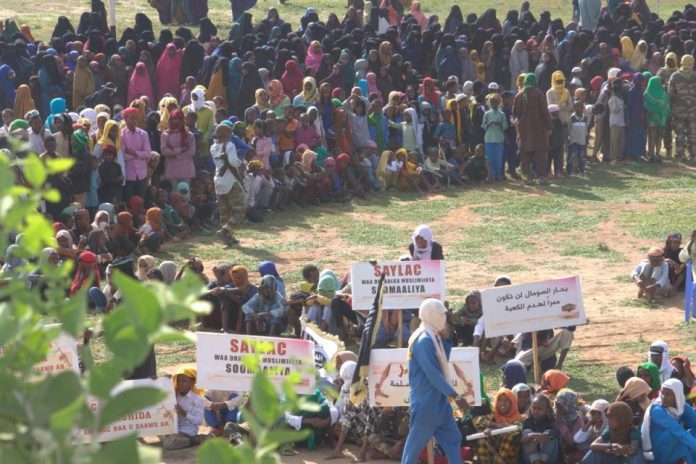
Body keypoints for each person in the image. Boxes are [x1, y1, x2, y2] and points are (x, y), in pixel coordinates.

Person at [401, 299, 469, 464]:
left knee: (453, 439)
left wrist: (446, 338)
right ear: (431, 315)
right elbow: (432, 373)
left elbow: (443, 360)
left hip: (439, 402)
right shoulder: (423, 340)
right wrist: (455, 396)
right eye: (442, 314)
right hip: (426, 403)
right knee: (413, 449)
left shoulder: (434, 336)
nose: (444, 318)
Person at [642, 378, 696, 463]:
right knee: (676, 434)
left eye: (668, 394)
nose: (663, 397)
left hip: (673, 443)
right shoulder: (657, 410)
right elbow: (677, 431)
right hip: (657, 450)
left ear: (677, 395)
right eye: (662, 393)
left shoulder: (681, 405)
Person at [513, 73, 551, 184]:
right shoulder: (538, 93)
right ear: (535, 82)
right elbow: (545, 112)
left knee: (525, 152)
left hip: (524, 128)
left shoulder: (519, 95)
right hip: (538, 127)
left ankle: (527, 177)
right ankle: (541, 177)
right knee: (540, 153)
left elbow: (516, 112)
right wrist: (549, 126)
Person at [211, 124, 245, 246]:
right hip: (230, 180)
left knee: (224, 211)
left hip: (218, 180)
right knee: (240, 208)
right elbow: (233, 162)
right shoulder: (230, 146)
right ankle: (225, 231)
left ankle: (227, 237)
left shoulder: (213, 147)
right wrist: (240, 162)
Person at [581, 401, 645, 464]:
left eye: (610, 418)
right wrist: (611, 446)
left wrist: (622, 448)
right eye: (607, 417)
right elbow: (593, 445)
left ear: (621, 418)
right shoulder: (610, 430)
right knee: (594, 452)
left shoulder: (633, 431)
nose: (608, 420)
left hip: (627, 460)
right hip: (613, 459)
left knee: (637, 454)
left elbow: (633, 449)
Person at [473, 388, 524, 464]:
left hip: (508, 457)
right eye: (500, 400)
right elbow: (477, 420)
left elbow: (517, 429)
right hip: (492, 453)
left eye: (506, 400)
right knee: (482, 433)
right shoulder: (494, 414)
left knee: (509, 436)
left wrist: (503, 427)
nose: (502, 403)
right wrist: (495, 425)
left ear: (512, 402)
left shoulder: (517, 418)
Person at [162, 367, 205, 450]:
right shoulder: (174, 395)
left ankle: (196, 439)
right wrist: (161, 380)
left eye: (184, 381)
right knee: (157, 430)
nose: (180, 383)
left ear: (192, 382)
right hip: (172, 428)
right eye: (178, 380)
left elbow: (199, 421)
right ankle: (172, 438)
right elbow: (161, 388)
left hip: (186, 431)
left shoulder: (197, 399)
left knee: (168, 444)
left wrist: (183, 412)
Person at [521, 394, 561, 464]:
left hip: (548, 459)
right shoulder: (527, 421)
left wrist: (536, 442)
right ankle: (536, 461)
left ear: (547, 410)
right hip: (530, 459)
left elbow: (555, 432)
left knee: (549, 434)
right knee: (526, 432)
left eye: (539, 409)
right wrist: (532, 435)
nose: (536, 411)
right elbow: (518, 440)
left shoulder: (550, 421)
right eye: (534, 408)